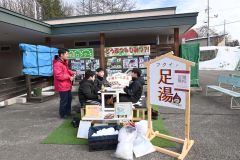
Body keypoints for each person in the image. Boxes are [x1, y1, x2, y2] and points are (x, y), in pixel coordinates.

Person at [53, 48, 75, 119]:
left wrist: (72, 72)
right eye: (67, 54)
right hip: (62, 85)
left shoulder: (63, 62)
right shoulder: (57, 64)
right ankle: (63, 114)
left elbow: (66, 70)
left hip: (67, 85)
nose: (68, 55)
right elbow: (58, 76)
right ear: (61, 55)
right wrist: (69, 77)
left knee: (69, 99)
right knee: (64, 101)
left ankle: (68, 113)